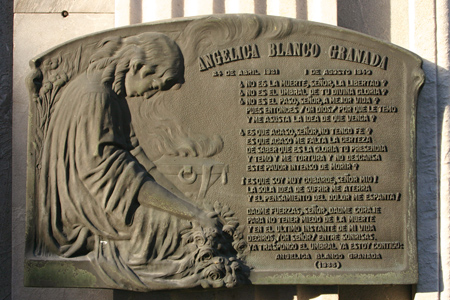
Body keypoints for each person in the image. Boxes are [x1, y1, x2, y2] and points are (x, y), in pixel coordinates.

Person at [37, 33, 223, 290]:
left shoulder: (111, 95)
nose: (150, 95)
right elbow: (114, 176)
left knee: (189, 220)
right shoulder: (95, 96)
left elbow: (136, 156)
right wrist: (189, 213)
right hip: (85, 211)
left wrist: (188, 204)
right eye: (156, 84)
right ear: (137, 67)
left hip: (102, 195)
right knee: (176, 227)